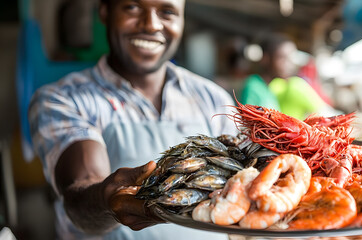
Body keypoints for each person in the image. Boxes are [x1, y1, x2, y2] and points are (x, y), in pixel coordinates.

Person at [28, 0, 236, 239]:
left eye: (167, 12)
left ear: (182, 19)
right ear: (105, 12)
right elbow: (79, 193)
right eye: (132, 8)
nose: (151, 25)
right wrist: (106, 199)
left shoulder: (212, 98)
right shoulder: (64, 99)